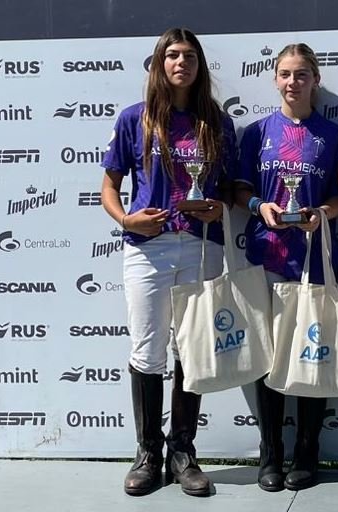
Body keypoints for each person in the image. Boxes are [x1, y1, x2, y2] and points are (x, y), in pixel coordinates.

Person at [100, 28, 237, 497]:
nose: (182, 63)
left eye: (190, 57)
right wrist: (127, 219)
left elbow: (228, 189)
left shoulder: (216, 121)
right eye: (173, 55)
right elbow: (109, 186)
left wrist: (218, 206)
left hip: (202, 245)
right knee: (148, 351)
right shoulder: (134, 119)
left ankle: (183, 451)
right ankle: (147, 452)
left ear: (200, 67)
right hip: (149, 249)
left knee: (194, 350)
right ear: (160, 63)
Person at [233, 43, 338, 492]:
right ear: (274, 79)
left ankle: (307, 449)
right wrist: (260, 206)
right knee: (269, 354)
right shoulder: (257, 131)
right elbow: (240, 190)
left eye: (302, 74)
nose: (293, 82)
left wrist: (323, 212)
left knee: (310, 351)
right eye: (285, 74)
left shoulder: (332, 134)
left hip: (314, 257)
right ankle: (270, 453)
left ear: (315, 79)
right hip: (269, 255)